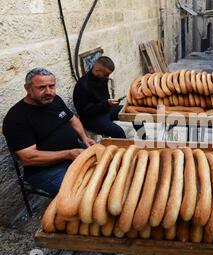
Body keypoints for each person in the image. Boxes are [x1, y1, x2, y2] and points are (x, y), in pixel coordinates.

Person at [3, 68, 96, 197]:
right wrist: (68, 154)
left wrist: (84, 138)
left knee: (108, 172)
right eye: (41, 88)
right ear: (27, 88)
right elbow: (28, 158)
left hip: (75, 152)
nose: (48, 92)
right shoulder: (16, 118)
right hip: (45, 171)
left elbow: (73, 119)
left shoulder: (55, 99)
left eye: (51, 86)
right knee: (85, 196)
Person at [73, 56, 127, 138]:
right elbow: (85, 112)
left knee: (132, 112)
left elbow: (105, 98)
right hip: (91, 118)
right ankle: (123, 150)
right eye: (106, 75)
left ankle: (143, 138)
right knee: (119, 132)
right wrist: (106, 104)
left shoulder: (102, 77)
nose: (107, 77)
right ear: (97, 70)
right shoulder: (83, 86)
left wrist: (111, 102)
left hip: (105, 110)